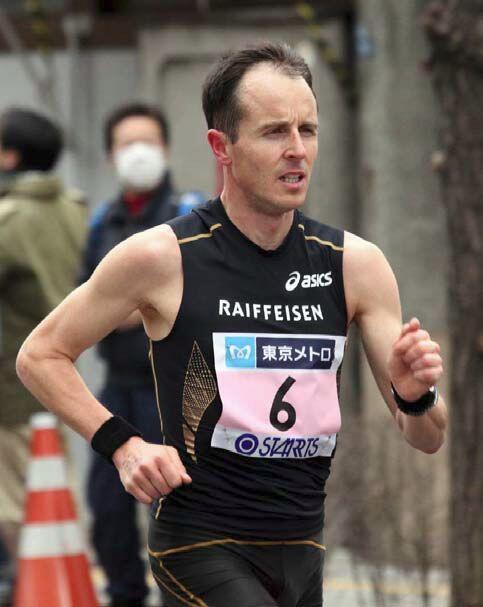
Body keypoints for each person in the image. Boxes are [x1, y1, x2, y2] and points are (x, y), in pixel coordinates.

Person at [16, 43, 448, 607]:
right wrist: (125, 446)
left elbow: (427, 437)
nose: (297, 151)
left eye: (308, 130)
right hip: (199, 543)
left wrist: (415, 397)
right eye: (274, 132)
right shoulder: (162, 256)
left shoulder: (354, 265)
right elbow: (40, 354)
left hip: (302, 547)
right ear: (222, 146)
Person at [78, 102, 199, 607]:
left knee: (174, 507)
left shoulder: (189, 214)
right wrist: (120, 306)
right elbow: (83, 298)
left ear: (166, 148)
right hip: (118, 387)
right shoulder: (101, 221)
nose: (138, 153)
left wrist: (128, 304)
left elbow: (195, 296)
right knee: (107, 507)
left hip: (173, 391)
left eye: (147, 142)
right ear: (111, 155)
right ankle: (124, 595)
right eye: (127, 144)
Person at [0, 107, 86, 602]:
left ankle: (39, 592)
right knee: (58, 489)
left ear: (11, 156)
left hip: (12, 384)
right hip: (61, 376)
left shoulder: (9, 219)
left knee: (18, 501)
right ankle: (69, 587)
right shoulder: (73, 208)